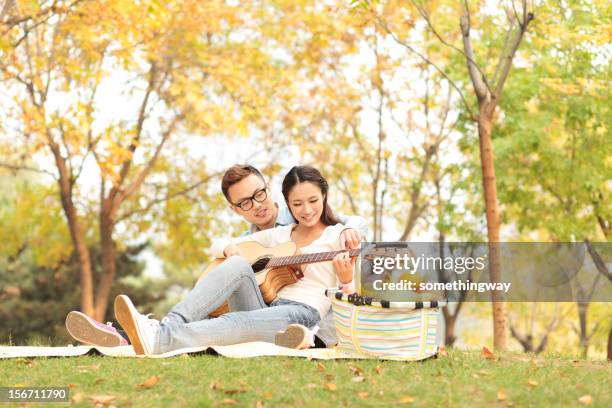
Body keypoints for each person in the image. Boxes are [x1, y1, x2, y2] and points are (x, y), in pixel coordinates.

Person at [65, 164, 367, 348]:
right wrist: (226, 249)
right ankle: (163, 327)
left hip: (301, 312)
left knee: (233, 322)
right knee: (235, 266)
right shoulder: (278, 236)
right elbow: (227, 245)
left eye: (313, 201)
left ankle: (153, 337)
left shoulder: (339, 235)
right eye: (298, 203)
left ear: (324, 196)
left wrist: (344, 276)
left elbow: (354, 297)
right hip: (264, 304)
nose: (306, 210)